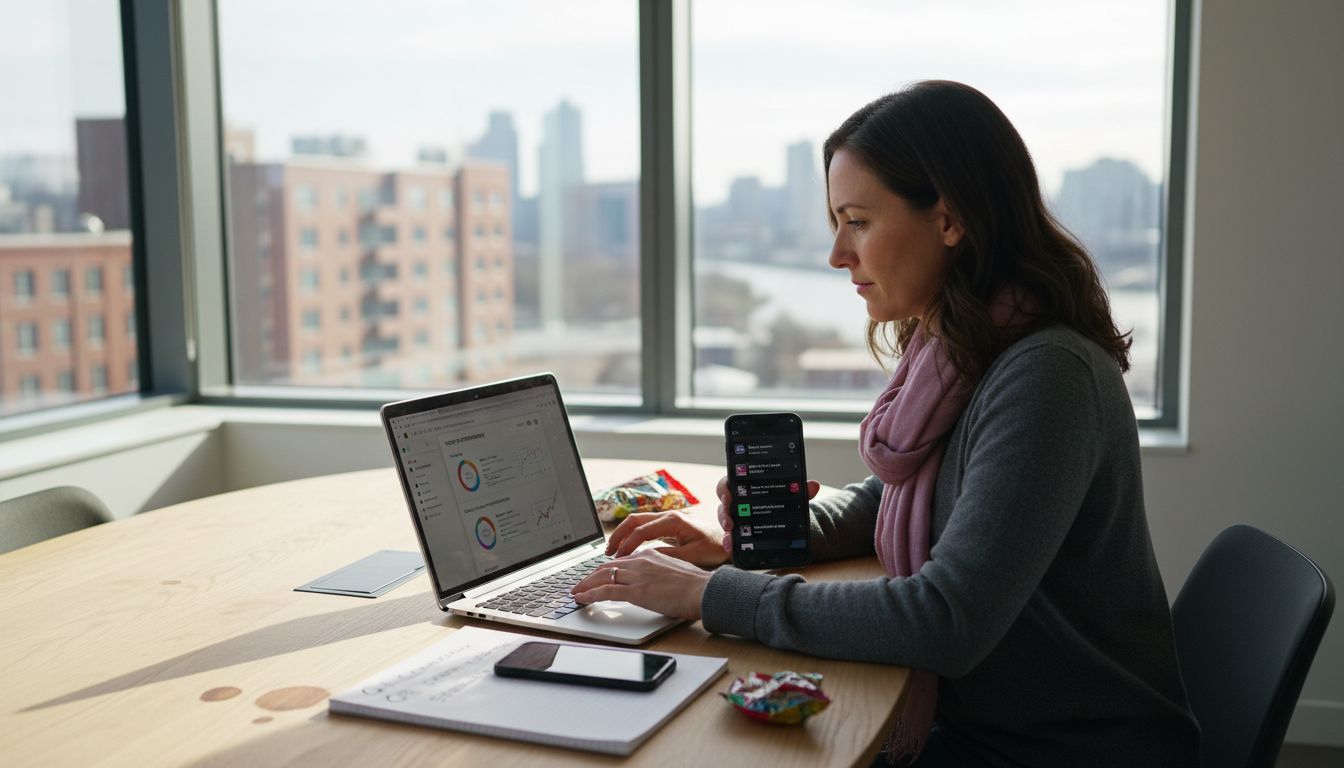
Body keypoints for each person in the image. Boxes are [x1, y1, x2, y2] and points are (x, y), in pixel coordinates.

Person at [570, 80, 1200, 767]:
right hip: (990, 727)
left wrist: (712, 595)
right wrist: (758, 540)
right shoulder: (959, 349)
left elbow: (945, 622)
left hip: (1063, 750)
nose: (837, 254)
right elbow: (902, 501)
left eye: (858, 221)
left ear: (950, 220)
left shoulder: (1047, 377)